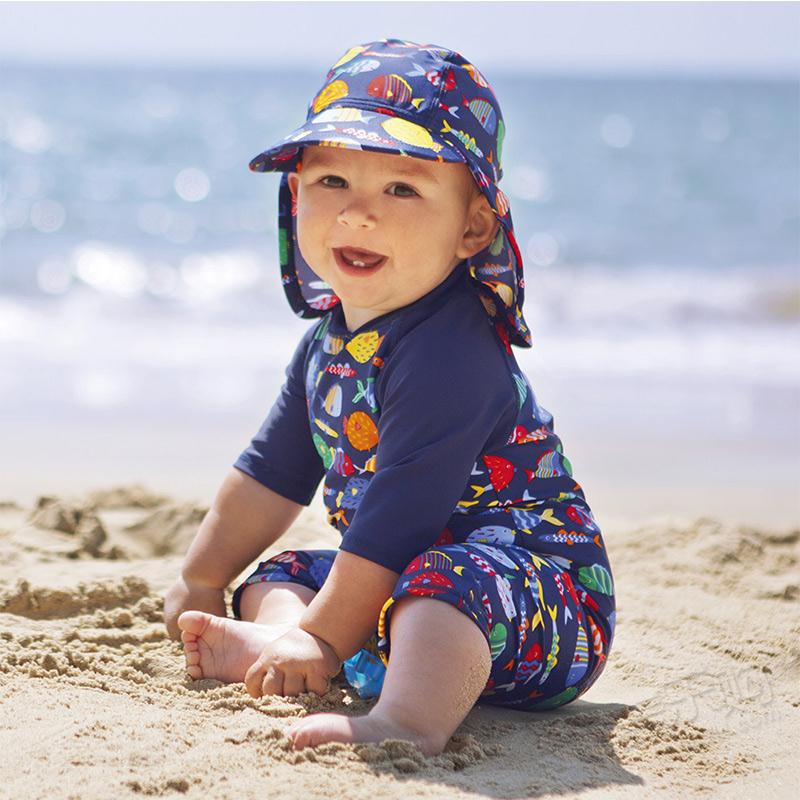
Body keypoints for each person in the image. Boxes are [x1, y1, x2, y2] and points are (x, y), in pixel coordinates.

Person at [163, 37, 616, 757]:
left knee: (439, 580)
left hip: (533, 603)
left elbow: (398, 524)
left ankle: (406, 719)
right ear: (296, 193)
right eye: (332, 182)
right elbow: (269, 477)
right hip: (400, 585)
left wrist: (325, 632)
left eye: (401, 189)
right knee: (282, 572)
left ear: (472, 227)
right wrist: (203, 576)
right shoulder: (329, 343)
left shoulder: (453, 353)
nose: (357, 214)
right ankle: (283, 643)